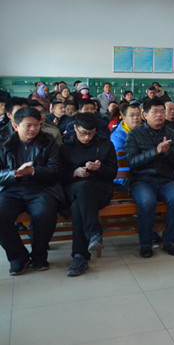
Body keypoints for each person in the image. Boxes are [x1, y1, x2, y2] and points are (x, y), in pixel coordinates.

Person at [0, 107, 64, 275]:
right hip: (11, 189)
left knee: (45, 213)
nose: (33, 129)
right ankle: (18, 257)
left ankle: (39, 255)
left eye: (37, 125)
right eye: (28, 125)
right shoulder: (3, 143)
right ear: (15, 126)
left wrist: (35, 171)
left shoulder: (48, 142)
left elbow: (56, 170)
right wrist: (13, 174)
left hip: (41, 188)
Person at [125, 97, 174, 258]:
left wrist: (168, 152)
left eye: (162, 111)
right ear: (145, 115)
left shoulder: (173, 134)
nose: (159, 115)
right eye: (155, 112)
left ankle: (170, 241)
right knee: (147, 202)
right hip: (142, 180)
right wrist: (155, 152)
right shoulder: (134, 134)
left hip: (166, 180)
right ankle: (146, 244)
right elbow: (132, 162)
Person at [58, 112, 117, 276]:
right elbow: (58, 176)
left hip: (99, 190)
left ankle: (80, 257)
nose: (87, 137)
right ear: (75, 128)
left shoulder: (105, 145)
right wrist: (74, 173)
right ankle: (93, 233)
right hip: (72, 189)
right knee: (82, 187)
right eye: (83, 133)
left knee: (78, 206)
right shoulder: (65, 147)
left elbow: (112, 173)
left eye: (91, 133)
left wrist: (100, 168)